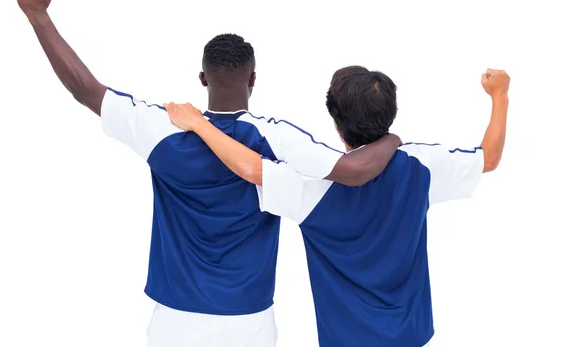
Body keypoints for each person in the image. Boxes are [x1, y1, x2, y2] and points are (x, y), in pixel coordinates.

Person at [16, 0, 402, 346]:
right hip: (248, 319)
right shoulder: (278, 139)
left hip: (175, 319)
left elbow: (85, 89)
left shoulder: (161, 129)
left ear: (203, 77)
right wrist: (392, 138)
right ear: (254, 78)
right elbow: (356, 170)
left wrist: (39, 15)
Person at [163, 66, 510, 347]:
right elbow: (489, 158)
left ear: (335, 121)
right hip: (411, 336)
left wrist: (198, 124)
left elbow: (250, 167)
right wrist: (499, 96)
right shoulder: (422, 166)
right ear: (390, 114)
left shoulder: (311, 186)